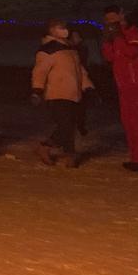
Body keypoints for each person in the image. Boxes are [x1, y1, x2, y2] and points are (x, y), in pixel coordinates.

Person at [31, 18, 94, 167]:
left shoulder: (70, 49)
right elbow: (39, 72)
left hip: (73, 93)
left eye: (64, 27)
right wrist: (37, 90)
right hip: (57, 93)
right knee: (66, 125)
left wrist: (88, 86)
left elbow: (80, 71)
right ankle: (63, 152)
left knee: (69, 125)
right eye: (60, 27)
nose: (64, 30)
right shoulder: (48, 50)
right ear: (51, 30)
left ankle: (55, 149)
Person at [101, 5, 138, 171]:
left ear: (121, 15)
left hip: (137, 83)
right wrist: (108, 40)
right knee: (128, 122)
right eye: (107, 20)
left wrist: (117, 37)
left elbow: (131, 52)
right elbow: (109, 56)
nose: (110, 22)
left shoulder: (133, 32)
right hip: (123, 85)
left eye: (112, 18)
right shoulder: (115, 35)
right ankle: (135, 157)